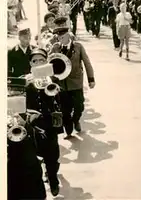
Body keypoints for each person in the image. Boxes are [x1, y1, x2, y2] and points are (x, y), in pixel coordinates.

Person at [25, 48, 64, 196]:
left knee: (52, 155)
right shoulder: (25, 79)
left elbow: (63, 102)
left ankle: (53, 180)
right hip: (33, 125)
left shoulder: (53, 79)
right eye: (35, 61)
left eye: (41, 60)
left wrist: (58, 92)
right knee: (32, 158)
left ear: (46, 62)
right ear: (30, 64)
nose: (38, 63)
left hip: (49, 123)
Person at [50, 17, 95, 138]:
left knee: (79, 106)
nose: (60, 39)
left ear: (68, 35)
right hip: (62, 84)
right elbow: (49, 63)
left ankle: (76, 120)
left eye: (63, 36)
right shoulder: (55, 48)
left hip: (76, 82)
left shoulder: (78, 46)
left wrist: (91, 79)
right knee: (65, 110)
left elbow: (87, 63)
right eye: (59, 37)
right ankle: (69, 128)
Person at [7, 113, 47, 200]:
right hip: (10, 183)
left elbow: (44, 148)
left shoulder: (30, 117)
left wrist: (26, 125)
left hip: (31, 181)